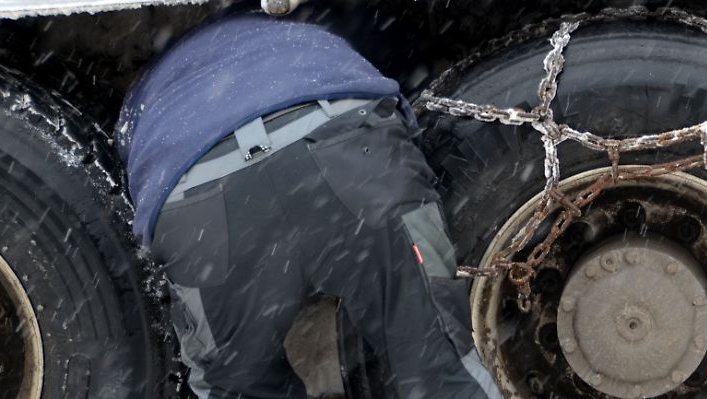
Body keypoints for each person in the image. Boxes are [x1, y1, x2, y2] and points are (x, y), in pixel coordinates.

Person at [114, 11, 502, 399]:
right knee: (438, 369)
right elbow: (402, 122)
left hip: (200, 202)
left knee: (239, 386)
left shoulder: (139, 104)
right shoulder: (295, 29)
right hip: (345, 147)